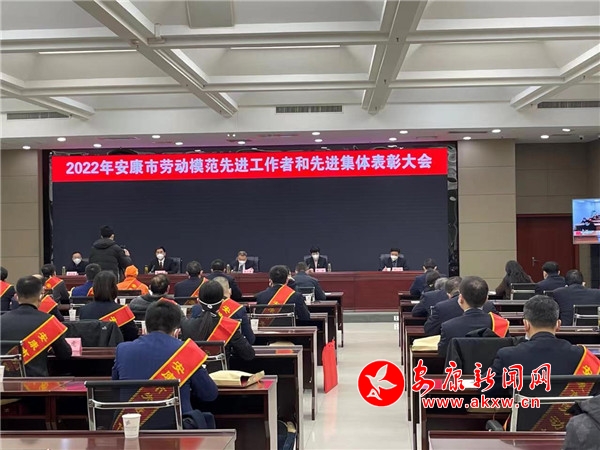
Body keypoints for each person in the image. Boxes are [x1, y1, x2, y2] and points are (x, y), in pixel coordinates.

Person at [112, 300, 218, 429]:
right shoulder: (186, 351)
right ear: (176, 328)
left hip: (132, 428)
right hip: (178, 429)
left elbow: (115, 387)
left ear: (146, 325)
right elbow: (209, 394)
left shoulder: (123, 349)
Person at [488, 295, 600, 398]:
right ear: (558, 325)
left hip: (523, 414)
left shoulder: (507, 356)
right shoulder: (581, 355)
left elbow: (486, 388)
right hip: (571, 414)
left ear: (526, 324)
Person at [0, 275, 71, 376]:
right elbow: (65, 354)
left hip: (5, 382)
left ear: (16, 296)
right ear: (40, 296)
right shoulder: (48, 321)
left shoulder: (1, 320)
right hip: (37, 382)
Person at [181, 281, 255, 361]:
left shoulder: (186, 325)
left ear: (198, 301)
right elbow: (249, 354)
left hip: (195, 368)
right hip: (221, 369)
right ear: (222, 302)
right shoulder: (229, 327)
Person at [438, 276, 510, 357]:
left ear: (460, 299)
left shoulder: (448, 327)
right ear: (486, 299)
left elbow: (443, 355)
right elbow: (506, 353)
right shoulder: (501, 325)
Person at [424, 276, 498, 336]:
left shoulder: (446, 325)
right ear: (486, 299)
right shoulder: (493, 312)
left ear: (461, 299)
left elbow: (429, 330)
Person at [191, 276, 255, 344]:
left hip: (201, 349)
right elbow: (250, 339)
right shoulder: (239, 310)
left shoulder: (197, 309)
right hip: (230, 348)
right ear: (230, 291)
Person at [78, 270, 138, 341]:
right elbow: (133, 336)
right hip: (117, 347)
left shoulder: (83, 310)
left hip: (89, 347)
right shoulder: (123, 311)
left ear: (94, 288)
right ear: (114, 289)